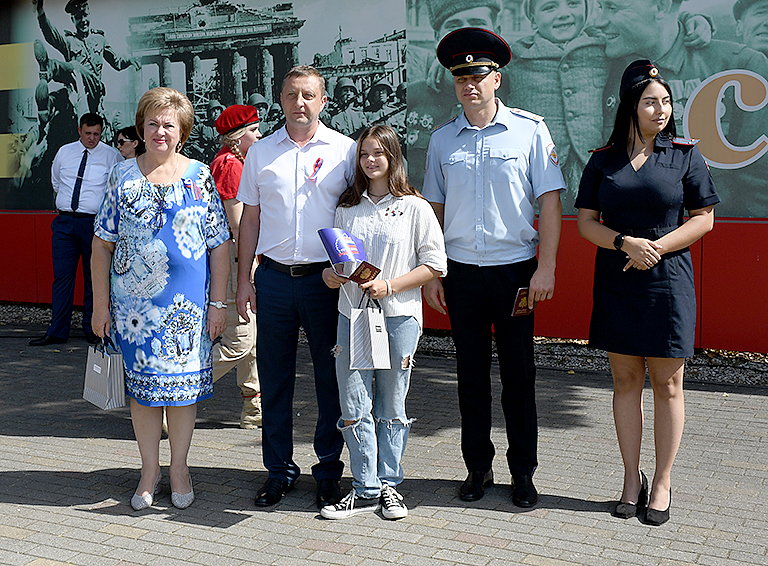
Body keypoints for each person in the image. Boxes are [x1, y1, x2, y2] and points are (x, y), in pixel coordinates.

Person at [422, 28, 565, 508]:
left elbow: (549, 203)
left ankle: (523, 471)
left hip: (515, 273)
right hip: (461, 272)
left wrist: (545, 268)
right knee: (470, 375)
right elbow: (434, 213)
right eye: (461, 77)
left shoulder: (530, 130)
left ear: (496, 78)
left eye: (478, 75)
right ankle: (477, 469)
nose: (470, 85)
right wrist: (433, 272)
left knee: (520, 377)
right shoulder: (443, 141)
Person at [576, 60, 719, 526]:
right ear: (630, 106)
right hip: (619, 276)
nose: (661, 109)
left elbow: (703, 218)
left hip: (668, 279)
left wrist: (654, 247)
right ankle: (629, 480)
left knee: (668, 383)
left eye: (666, 101)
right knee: (625, 382)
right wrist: (624, 243)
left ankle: (662, 482)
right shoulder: (604, 159)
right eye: (650, 101)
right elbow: (586, 222)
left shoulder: (684, 155)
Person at [91, 87, 230, 511]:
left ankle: (180, 468)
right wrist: (100, 306)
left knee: (182, 394)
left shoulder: (200, 175)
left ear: (182, 131)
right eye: (152, 123)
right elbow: (101, 244)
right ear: (141, 128)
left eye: (168, 124)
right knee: (144, 394)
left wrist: (218, 304)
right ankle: (149, 470)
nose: (159, 131)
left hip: (187, 307)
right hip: (134, 309)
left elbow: (220, 245)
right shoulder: (122, 176)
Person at [236, 65, 356, 509]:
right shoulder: (261, 153)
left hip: (326, 282)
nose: (300, 103)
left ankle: (328, 471)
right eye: (291, 95)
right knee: (274, 378)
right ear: (280, 99)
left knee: (331, 379)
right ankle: (279, 470)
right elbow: (250, 219)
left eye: (308, 95)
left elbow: (356, 215)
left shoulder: (346, 151)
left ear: (323, 101)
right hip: (272, 281)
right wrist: (243, 279)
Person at [319, 125, 447, 520]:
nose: (371, 161)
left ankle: (390, 484)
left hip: (398, 317)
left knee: (392, 402)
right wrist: (333, 276)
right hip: (353, 315)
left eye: (379, 153)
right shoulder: (347, 207)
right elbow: (332, 267)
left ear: (393, 157)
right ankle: (364, 487)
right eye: (364, 154)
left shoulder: (415, 207)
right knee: (354, 402)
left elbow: (434, 264)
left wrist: (389, 285)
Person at [29, 112, 121, 347]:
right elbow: (57, 181)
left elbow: (115, 189)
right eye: (88, 133)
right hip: (65, 223)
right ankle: (57, 331)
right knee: (62, 277)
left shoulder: (112, 156)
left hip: (93, 224)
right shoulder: (64, 152)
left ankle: (94, 330)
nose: (92, 138)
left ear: (102, 133)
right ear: (79, 131)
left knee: (95, 278)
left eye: (97, 134)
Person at [209, 105, 263, 429]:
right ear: (238, 136)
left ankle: (254, 409)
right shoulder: (230, 166)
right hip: (236, 257)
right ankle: (174, 392)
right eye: (254, 131)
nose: (259, 135)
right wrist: (250, 264)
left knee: (252, 338)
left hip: (236, 256)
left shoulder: (229, 162)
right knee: (239, 339)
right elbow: (238, 222)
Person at [33, 0, 140, 117]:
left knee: (76, 66)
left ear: (89, 15)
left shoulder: (100, 39)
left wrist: (129, 60)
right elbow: (52, 36)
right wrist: (40, 12)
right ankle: (46, 107)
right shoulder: (70, 41)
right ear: (73, 20)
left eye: (85, 15)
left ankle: (49, 67)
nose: (83, 21)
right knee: (62, 95)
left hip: (94, 90)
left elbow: (117, 62)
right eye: (78, 17)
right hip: (75, 89)